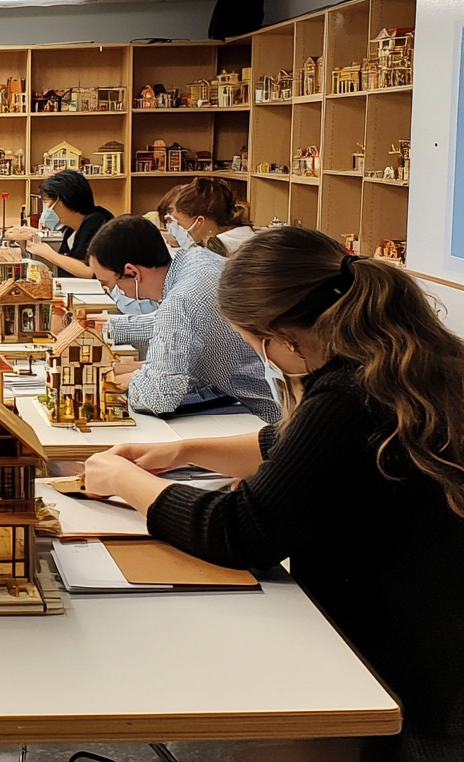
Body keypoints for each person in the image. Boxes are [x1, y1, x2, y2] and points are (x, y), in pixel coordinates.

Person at [84, 228, 464, 762]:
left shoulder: (347, 397)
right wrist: (186, 450)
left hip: (401, 670)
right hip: (435, 636)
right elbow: (291, 446)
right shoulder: (409, 365)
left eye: (253, 344)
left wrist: (126, 482)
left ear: (282, 338)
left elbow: (240, 531)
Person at [87, 215, 279, 422]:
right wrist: (108, 327)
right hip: (280, 401)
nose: (111, 291)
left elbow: (159, 397)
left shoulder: (180, 301)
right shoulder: (197, 260)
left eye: (109, 284)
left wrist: (120, 382)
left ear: (132, 272)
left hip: (273, 418)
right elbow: (184, 323)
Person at [26, 170, 113, 278]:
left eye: (48, 202)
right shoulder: (71, 229)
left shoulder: (96, 221)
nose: (48, 208)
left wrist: (48, 253)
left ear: (65, 200)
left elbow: (89, 271)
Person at [166, 176, 255, 255]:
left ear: (200, 221)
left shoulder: (216, 253)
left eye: (178, 222)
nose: (176, 227)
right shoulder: (244, 237)